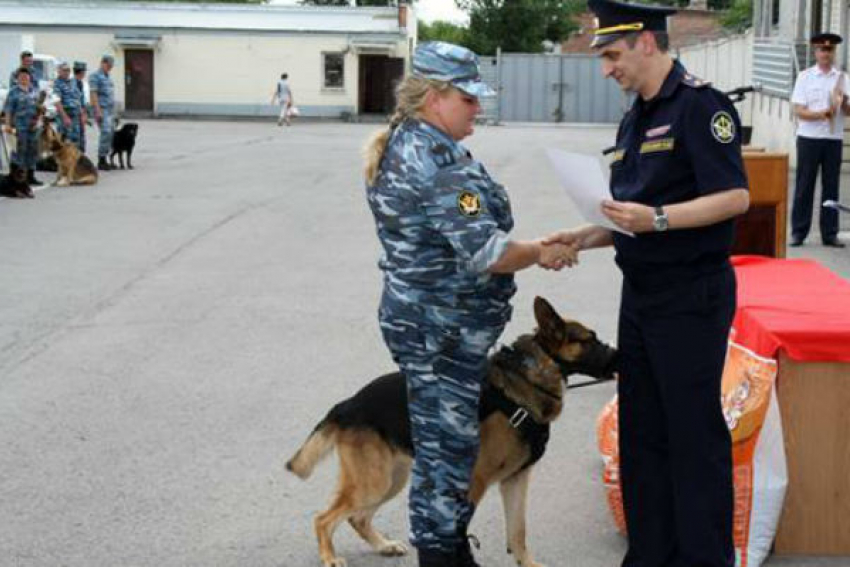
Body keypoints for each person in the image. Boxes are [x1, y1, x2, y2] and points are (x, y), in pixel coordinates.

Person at [545, 1, 750, 566]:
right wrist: (584, 235)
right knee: (642, 435)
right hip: (642, 297)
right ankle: (651, 555)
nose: (607, 68)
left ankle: (703, 559)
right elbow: (627, 214)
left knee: (692, 438)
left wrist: (657, 220)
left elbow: (735, 197)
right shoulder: (636, 115)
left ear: (647, 42)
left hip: (691, 295)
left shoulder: (699, 106)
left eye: (612, 54)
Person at [364, 42, 576, 567]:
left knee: (444, 443)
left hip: (432, 325)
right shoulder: (433, 159)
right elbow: (489, 252)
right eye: (467, 98)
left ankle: (447, 546)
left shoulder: (415, 142)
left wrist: (526, 249)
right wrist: (542, 253)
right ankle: (442, 554)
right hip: (440, 331)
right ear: (434, 98)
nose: (477, 107)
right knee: (447, 450)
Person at [789, 32, 848, 248]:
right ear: (815, 51)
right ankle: (798, 232)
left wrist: (843, 103)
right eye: (822, 49)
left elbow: (849, 111)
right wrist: (822, 114)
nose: (826, 53)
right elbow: (799, 110)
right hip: (809, 138)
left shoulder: (842, 78)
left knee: (831, 187)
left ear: (834, 53)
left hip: (833, 139)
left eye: (830, 49)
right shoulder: (805, 77)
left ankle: (830, 233)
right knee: (805, 185)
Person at [3, 67, 43, 187]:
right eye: (21, 77)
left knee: (32, 150)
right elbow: (8, 110)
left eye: (26, 76)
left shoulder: (34, 91)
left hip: (33, 126)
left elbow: (39, 107)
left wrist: (38, 120)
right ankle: (15, 177)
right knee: (18, 151)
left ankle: (30, 176)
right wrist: (8, 125)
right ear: (18, 78)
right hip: (19, 127)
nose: (24, 78)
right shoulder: (13, 92)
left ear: (29, 77)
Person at [89, 54, 115, 171]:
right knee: (105, 132)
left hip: (110, 109)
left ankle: (107, 157)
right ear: (103, 63)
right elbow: (93, 94)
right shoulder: (95, 76)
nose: (109, 68)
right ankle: (101, 159)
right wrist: (97, 110)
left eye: (111, 66)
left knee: (111, 133)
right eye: (108, 65)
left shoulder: (108, 76)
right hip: (102, 108)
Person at [53, 61, 82, 148]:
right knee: (64, 143)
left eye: (68, 70)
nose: (67, 72)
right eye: (64, 70)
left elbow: (78, 97)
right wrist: (65, 117)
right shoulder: (57, 84)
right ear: (59, 71)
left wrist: (81, 113)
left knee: (75, 141)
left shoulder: (73, 82)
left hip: (75, 117)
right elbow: (57, 102)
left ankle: (74, 160)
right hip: (65, 117)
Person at [73, 61, 89, 154]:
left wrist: (84, 113)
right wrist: (82, 113)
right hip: (76, 114)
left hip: (80, 114)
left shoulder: (80, 83)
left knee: (81, 137)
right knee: (77, 138)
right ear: (81, 72)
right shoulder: (73, 83)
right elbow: (77, 101)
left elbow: (82, 100)